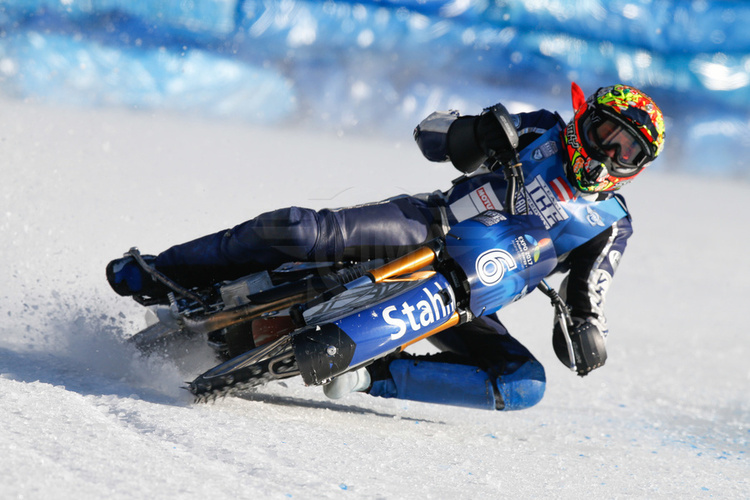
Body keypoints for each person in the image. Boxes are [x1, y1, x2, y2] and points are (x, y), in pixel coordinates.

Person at [107, 83, 665, 411]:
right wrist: (474, 134)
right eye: (604, 134)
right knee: (300, 229)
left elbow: (590, 292)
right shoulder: (539, 127)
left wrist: (587, 330)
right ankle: (164, 271)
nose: (608, 154)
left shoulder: (610, 223)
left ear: (637, 170)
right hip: (429, 225)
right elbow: (432, 132)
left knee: (524, 385)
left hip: (472, 301)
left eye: (627, 152)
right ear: (582, 120)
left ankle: (374, 376)